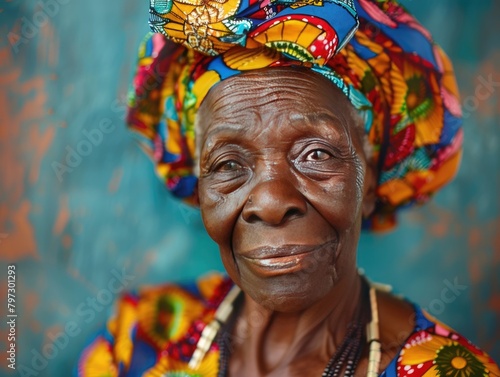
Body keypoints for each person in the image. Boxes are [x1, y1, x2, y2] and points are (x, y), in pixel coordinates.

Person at [76, 0, 499, 376]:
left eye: (316, 155)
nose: (271, 202)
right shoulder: (137, 341)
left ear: (369, 180)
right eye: (227, 164)